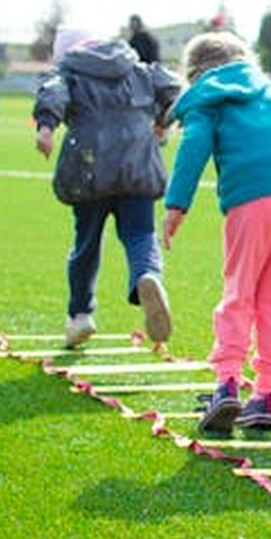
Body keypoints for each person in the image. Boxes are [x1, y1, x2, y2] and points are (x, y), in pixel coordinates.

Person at [161, 32, 271, 435]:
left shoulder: (209, 100)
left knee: (239, 292)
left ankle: (226, 384)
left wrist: (176, 204)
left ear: (195, 73)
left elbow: (194, 145)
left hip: (251, 203)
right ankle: (266, 395)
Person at [32, 27, 180, 349]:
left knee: (86, 244)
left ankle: (80, 315)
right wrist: (163, 121)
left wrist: (46, 127)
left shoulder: (69, 71)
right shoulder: (134, 66)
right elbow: (171, 87)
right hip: (138, 164)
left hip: (89, 169)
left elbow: (53, 91)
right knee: (141, 234)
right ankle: (146, 275)